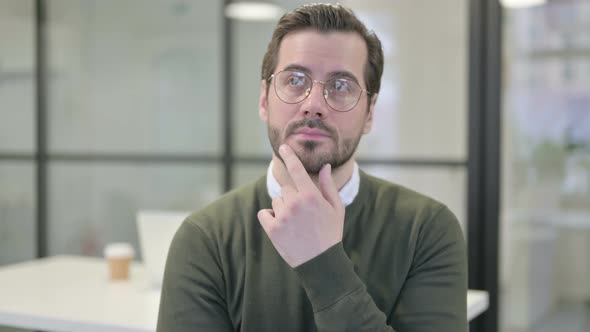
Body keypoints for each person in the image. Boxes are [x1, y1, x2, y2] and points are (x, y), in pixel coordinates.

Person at [157, 3, 467, 332]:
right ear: (264, 99)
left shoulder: (426, 230)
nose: (313, 104)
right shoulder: (207, 239)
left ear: (370, 112)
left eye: (341, 86)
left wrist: (323, 263)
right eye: (294, 80)